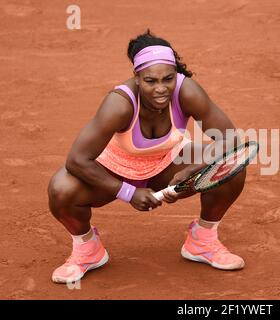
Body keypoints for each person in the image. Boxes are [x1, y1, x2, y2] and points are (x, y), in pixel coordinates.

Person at [47, 29, 247, 284]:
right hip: (115, 169)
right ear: (137, 77)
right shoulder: (119, 103)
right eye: (151, 81)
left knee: (232, 166)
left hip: (168, 165)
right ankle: (87, 250)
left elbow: (230, 140)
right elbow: (77, 159)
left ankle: (203, 240)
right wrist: (128, 192)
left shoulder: (187, 91)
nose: (161, 89)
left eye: (168, 79)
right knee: (61, 188)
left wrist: (193, 168)